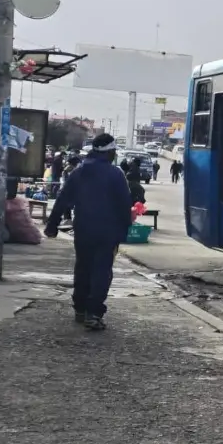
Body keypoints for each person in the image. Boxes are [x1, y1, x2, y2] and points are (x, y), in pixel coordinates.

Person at [44, 133, 133, 330]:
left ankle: (80, 309)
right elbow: (124, 205)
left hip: (83, 228)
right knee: (101, 270)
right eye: (113, 151)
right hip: (107, 231)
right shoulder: (115, 174)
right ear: (109, 152)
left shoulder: (79, 172)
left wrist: (52, 225)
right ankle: (93, 313)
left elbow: (62, 199)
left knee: (83, 267)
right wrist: (124, 230)